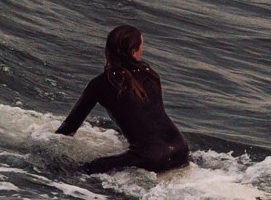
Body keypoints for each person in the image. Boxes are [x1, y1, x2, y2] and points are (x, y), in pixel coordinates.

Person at [57, 24, 191, 175]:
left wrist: (49, 143)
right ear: (134, 52)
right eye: (142, 45)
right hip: (181, 149)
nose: (142, 50)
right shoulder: (152, 75)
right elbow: (146, 118)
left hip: (152, 158)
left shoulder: (100, 84)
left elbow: (69, 128)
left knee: (86, 169)